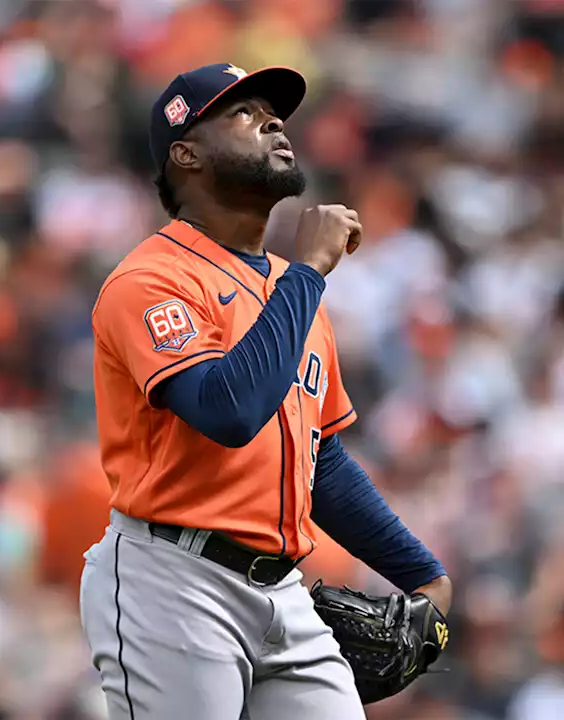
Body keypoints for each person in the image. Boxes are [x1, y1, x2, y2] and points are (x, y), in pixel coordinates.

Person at [80, 62, 452, 719]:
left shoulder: (290, 287)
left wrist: (422, 572)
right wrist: (309, 270)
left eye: (273, 112)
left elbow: (320, 461)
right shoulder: (149, 280)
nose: (274, 122)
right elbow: (228, 412)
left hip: (284, 589)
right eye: (243, 115)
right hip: (171, 579)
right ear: (186, 154)